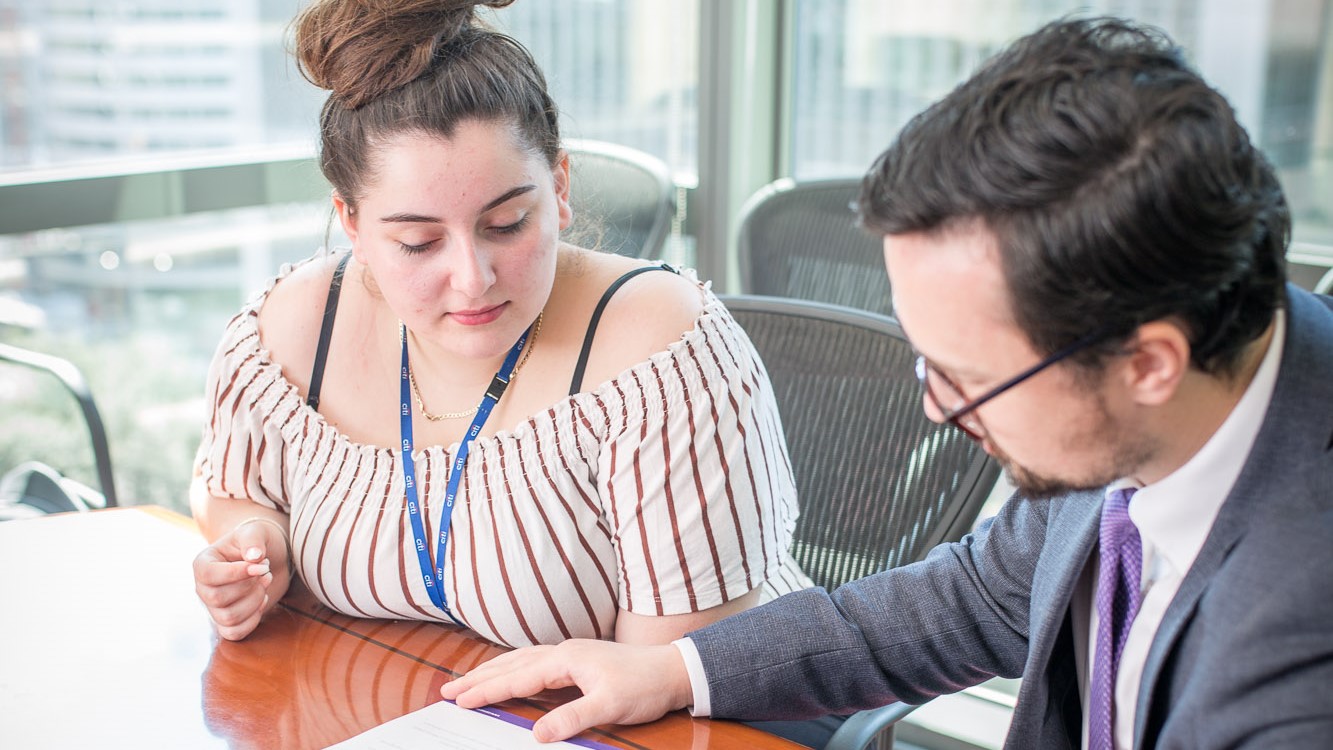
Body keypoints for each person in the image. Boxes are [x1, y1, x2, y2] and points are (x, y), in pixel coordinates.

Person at [441, 16, 1333, 749]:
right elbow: (981, 595)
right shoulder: (1197, 354)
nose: (935, 408)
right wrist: (673, 669)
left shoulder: (1298, 650)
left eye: (970, 379)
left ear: (1147, 364)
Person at [191, 0, 810, 650]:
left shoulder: (660, 349)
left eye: (506, 225)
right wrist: (257, 545)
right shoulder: (293, 328)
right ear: (351, 223)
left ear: (560, 185)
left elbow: (676, 678)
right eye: (418, 242)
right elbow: (228, 490)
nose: (472, 277)